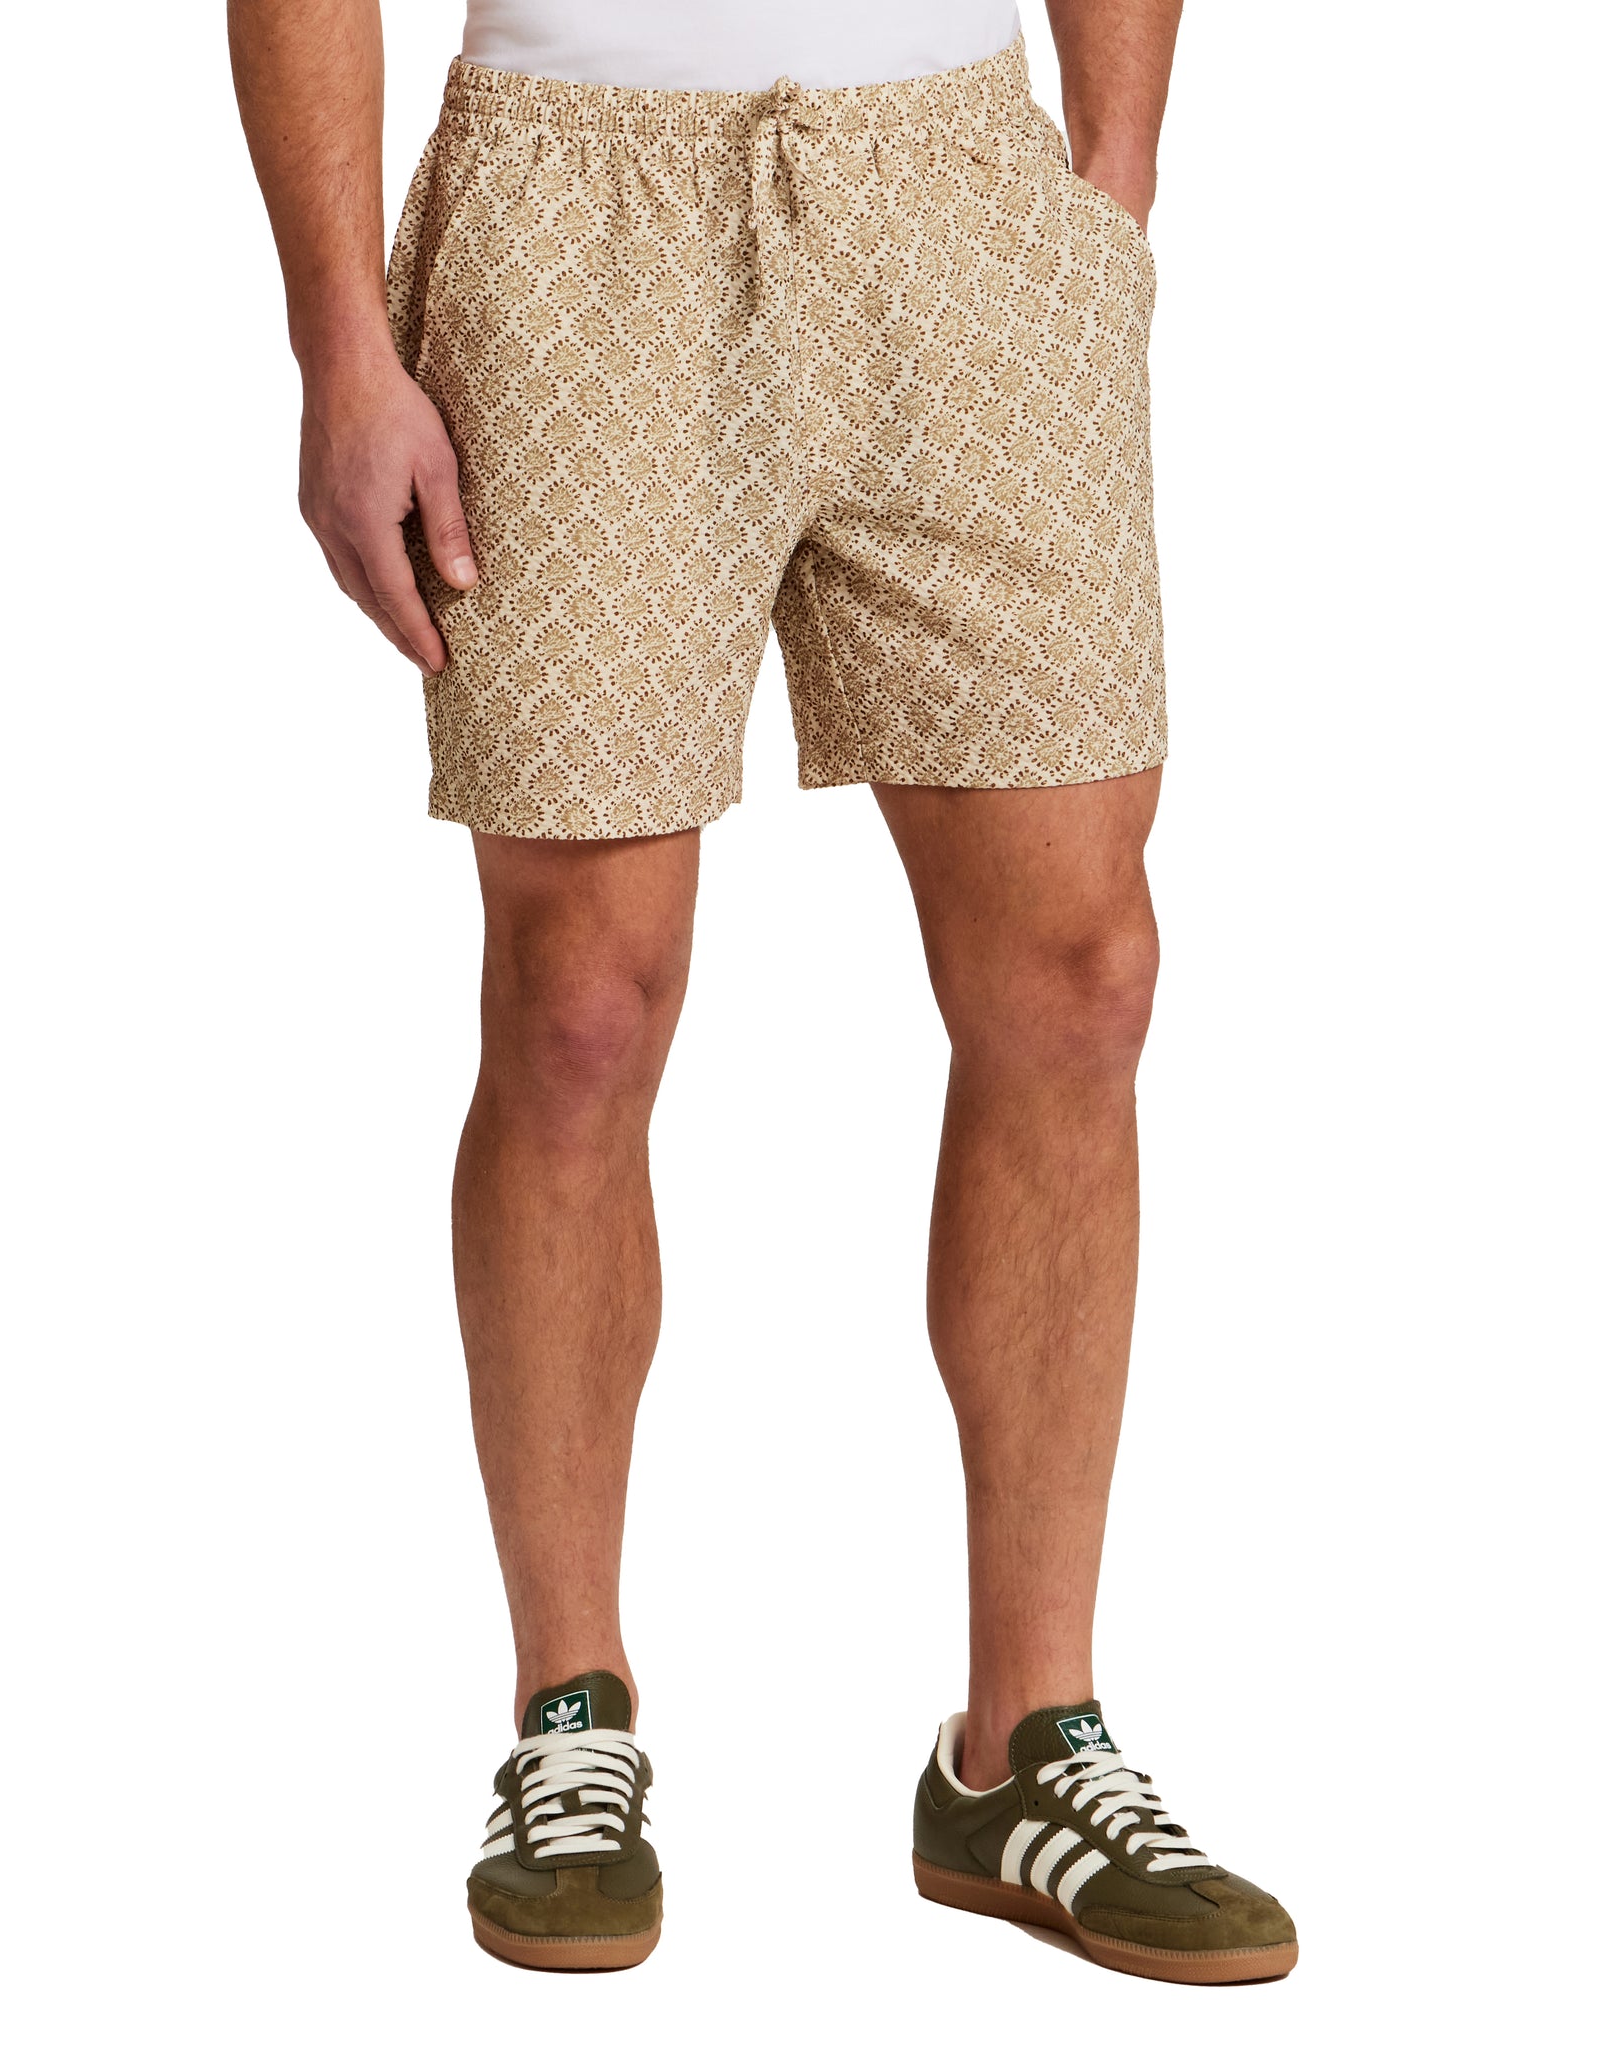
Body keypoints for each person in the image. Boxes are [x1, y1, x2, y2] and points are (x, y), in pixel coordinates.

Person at [229, 0, 1297, 1983]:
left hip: (962, 197)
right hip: (576, 206)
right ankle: (568, 1715)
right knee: (579, 1002)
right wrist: (338, 345)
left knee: (1079, 977)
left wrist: (1112, 171)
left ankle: (1024, 1747)